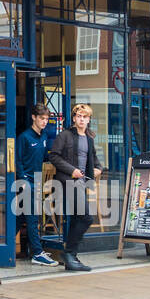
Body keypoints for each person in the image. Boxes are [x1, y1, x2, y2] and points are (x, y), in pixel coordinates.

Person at [46, 103, 103, 272]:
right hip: (67, 182)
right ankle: (68, 253)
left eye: (85, 117)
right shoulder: (65, 135)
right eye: (79, 116)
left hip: (82, 183)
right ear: (74, 118)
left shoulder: (90, 138)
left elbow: (94, 158)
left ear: (89, 119)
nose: (82, 119)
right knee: (86, 218)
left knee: (79, 218)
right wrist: (72, 171)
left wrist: (99, 169)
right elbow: (54, 156)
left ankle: (71, 256)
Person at [17, 103, 59, 267]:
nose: (44, 122)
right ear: (34, 117)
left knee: (20, 217)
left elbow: (44, 158)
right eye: (41, 118)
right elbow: (17, 161)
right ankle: (37, 253)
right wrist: (24, 182)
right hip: (26, 183)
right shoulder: (24, 137)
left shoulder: (43, 137)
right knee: (33, 219)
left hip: (37, 181)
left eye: (46, 119)